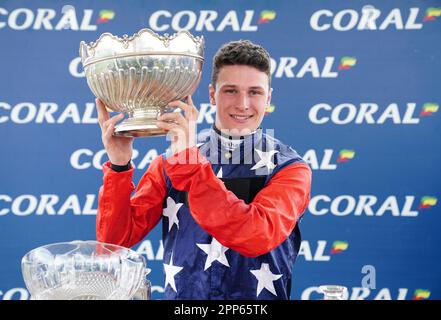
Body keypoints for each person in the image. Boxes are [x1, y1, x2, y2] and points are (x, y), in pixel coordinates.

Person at [96, 40, 312, 300]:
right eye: (230, 91)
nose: (243, 104)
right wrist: (119, 165)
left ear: (269, 98)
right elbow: (115, 242)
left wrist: (189, 164)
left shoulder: (290, 169)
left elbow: (256, 235)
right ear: (212, 94)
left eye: (254, 92)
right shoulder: (169, 162)